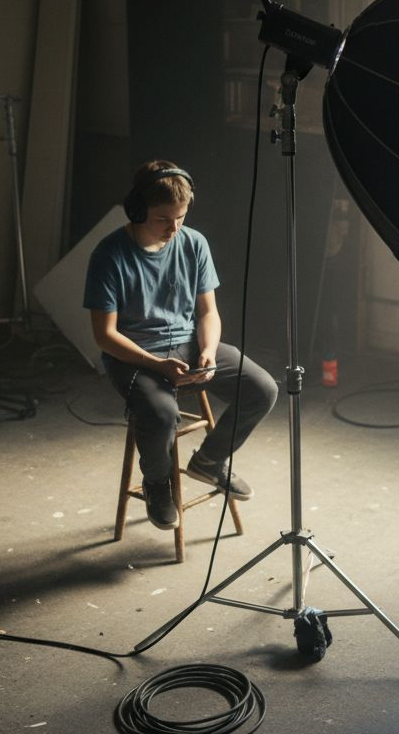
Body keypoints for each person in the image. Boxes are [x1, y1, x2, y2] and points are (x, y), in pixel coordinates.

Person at [84, 160, 278, 530]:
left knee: (262, 389)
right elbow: (104, 336)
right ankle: (158, 483)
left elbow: (208, 313)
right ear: (139, 210)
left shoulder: (194, 244)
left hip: (188, 345)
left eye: (181, 217)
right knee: (161, 414)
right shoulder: (110, 255)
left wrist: (207, 349)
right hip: (134, 355)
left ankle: (209, 461)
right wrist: (157, 366)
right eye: (162, 219)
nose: (174, 228)